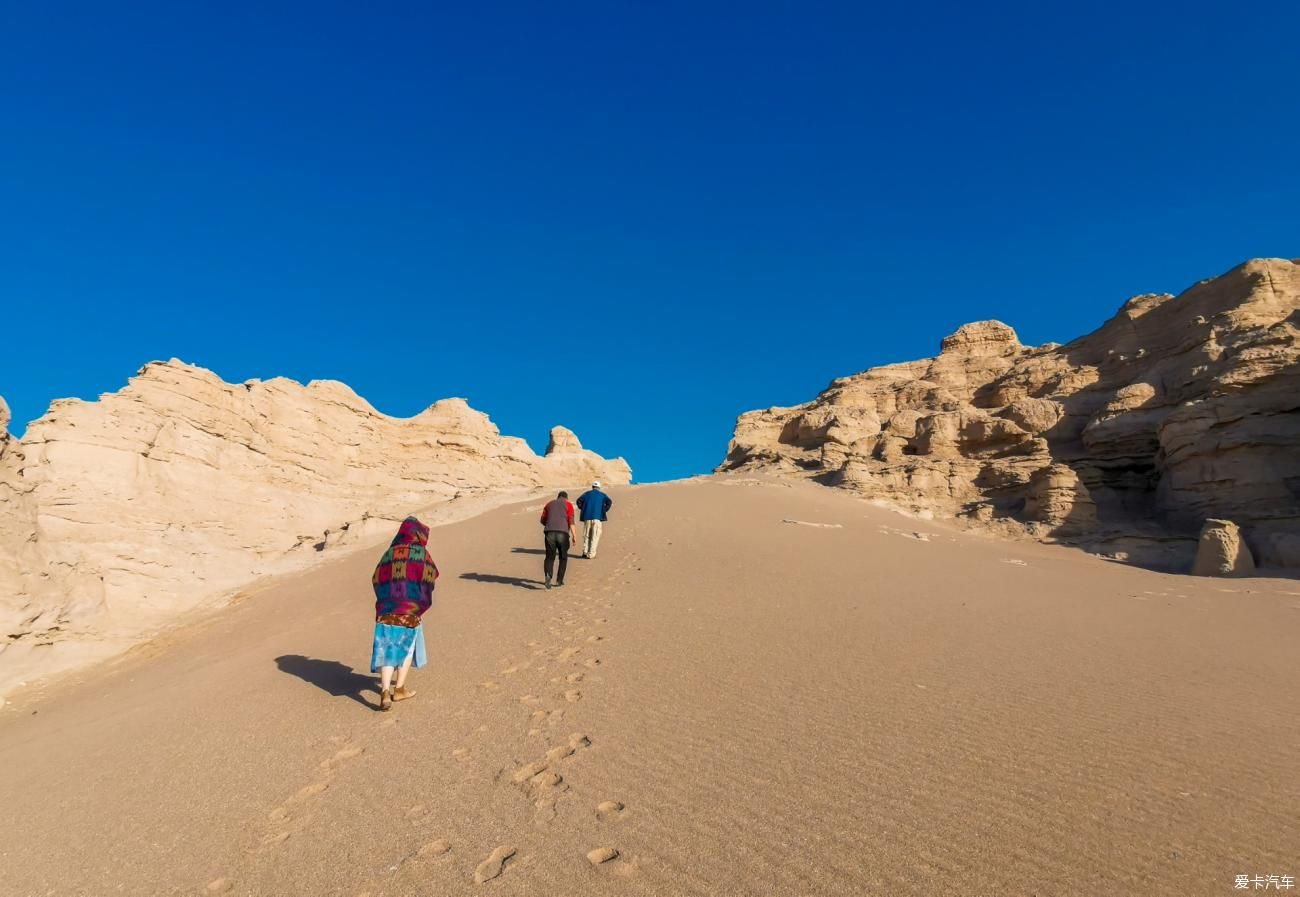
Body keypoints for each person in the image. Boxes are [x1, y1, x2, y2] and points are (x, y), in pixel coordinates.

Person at [370, 516, 439, 711]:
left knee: (386, 647)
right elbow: (430, 575)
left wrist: (385, 597)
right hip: (409, 608)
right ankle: (399, 689)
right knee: (407, 647)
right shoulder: (421, 553)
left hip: (386, 609)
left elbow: (376, 577)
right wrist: (419, 599)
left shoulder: (389, 553)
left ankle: (384, 691)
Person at [539, 490, 577, 589]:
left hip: (549, 533)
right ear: (566, 498)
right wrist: (574, 536)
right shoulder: (568, 505)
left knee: (549, 557)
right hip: (563, 533)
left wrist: (550, 524)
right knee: (563, 557)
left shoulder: (549, 504)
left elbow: (542, 520)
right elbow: (571, 521)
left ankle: (548, 574)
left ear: (558, 497)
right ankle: (559, 580)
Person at [574, 480, 613, 559]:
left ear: (592, 487)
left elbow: (578, 501)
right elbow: (609, 502)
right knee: (594, 536)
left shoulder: (586, 494)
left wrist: (583, 508)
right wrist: (604, 510)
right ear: (599, 487)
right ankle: (591, 554)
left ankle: (585, 552)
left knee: (586, 535)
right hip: (597, 518)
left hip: (587, 518)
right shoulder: (602, 495)